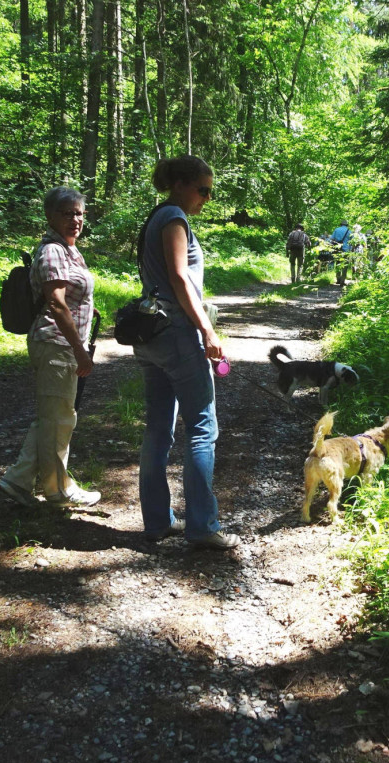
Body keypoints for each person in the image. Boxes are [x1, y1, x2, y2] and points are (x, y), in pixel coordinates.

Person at [131, 155, 239, 549]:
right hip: (178, 334)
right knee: (202, 429)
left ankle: (157, 521)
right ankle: (202, 527)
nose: (207, 198)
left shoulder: (156, 216)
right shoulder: (174, 217)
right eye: (203, 190)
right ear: (179, 184)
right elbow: (179, 277)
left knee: (158, 428)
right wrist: (207, 330)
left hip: (152, 336)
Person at [0, 186, 101, 509]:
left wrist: (87, 309)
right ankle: (58, 490)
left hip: (62, 344)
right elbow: (56, 304)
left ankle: (18, 480)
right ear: (50, 216)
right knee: (59, 419)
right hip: (56, 343)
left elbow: (70, 294)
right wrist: (79, 350)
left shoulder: (70, 250)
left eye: (79, 214)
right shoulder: (53, 251)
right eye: (67, 213)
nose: (75, 219)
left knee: (54, 416)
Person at [330, 220, 352, 285]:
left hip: (337, 249)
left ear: (341, 224)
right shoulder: (349, 231)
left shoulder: (336, 230)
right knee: (345, 265)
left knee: (338, 263)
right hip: (346, 250)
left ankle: (338, 279)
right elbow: (352, 240)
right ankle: (342, 280)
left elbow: (332, 238)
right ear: (347, 225)